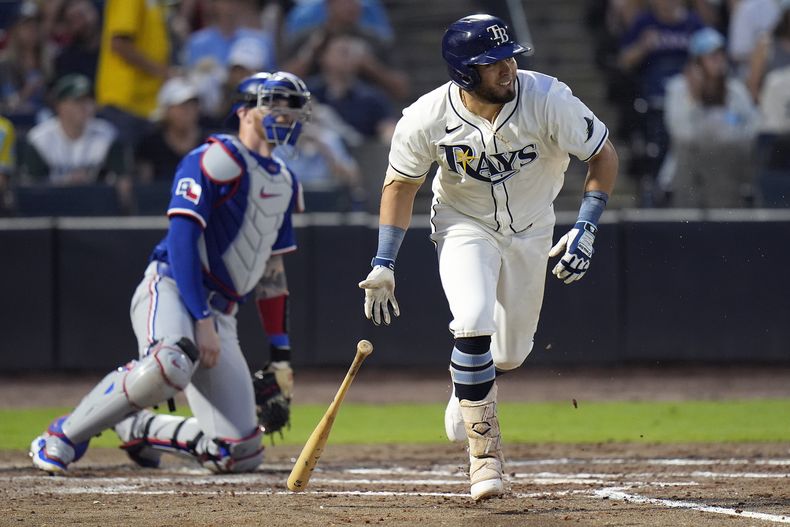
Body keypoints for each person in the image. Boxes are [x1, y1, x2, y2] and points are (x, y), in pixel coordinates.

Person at [357, 14, 618, 500]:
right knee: (472, 319)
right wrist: (383, 261)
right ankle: (485, 459)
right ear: (463, 72)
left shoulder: (548, 98)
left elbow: (603, 155)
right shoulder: (426, 116)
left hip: (533, 227)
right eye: (491, 62)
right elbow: (401, 185)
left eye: (508, 56)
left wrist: (586, 226)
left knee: (512, 353)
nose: (507, 68)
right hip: (463, 223)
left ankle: (466, 383)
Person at [29, 71, 311, 473]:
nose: (287, 119)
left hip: (222, 311)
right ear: (245, 111)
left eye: (293, 111)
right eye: (278, 107)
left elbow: (272, 270)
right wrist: (200, 318)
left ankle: (139, 427)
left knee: (240, 452)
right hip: (175, 289)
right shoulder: (214, 159)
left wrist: (280, 355)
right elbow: (182, 239)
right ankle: (63, 435)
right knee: (170, 363)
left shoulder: (285, 182)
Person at [661, 27, 759, 207]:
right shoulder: (678, 89)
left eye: (720, 55)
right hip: (689, 173)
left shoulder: (735, 91)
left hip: (728, 172)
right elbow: (683, 135)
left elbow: (751, 130)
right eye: (711, 56)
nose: (718, 61)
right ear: (696, 62)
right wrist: (695, 100)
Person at [19, 73, 129, 190]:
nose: (85, 107)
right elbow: (31, 189)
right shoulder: (40, 139)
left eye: (89, 101)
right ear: (60, 105)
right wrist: (65, 182)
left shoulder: (107, 134)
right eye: (78, 101)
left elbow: (122, 183)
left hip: (96, 205)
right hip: (52, 205)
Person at [94, 0, 172, 147]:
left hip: (146, 105)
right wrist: (163, 72)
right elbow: (119, 44)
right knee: (125, 167)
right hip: (123, 103)